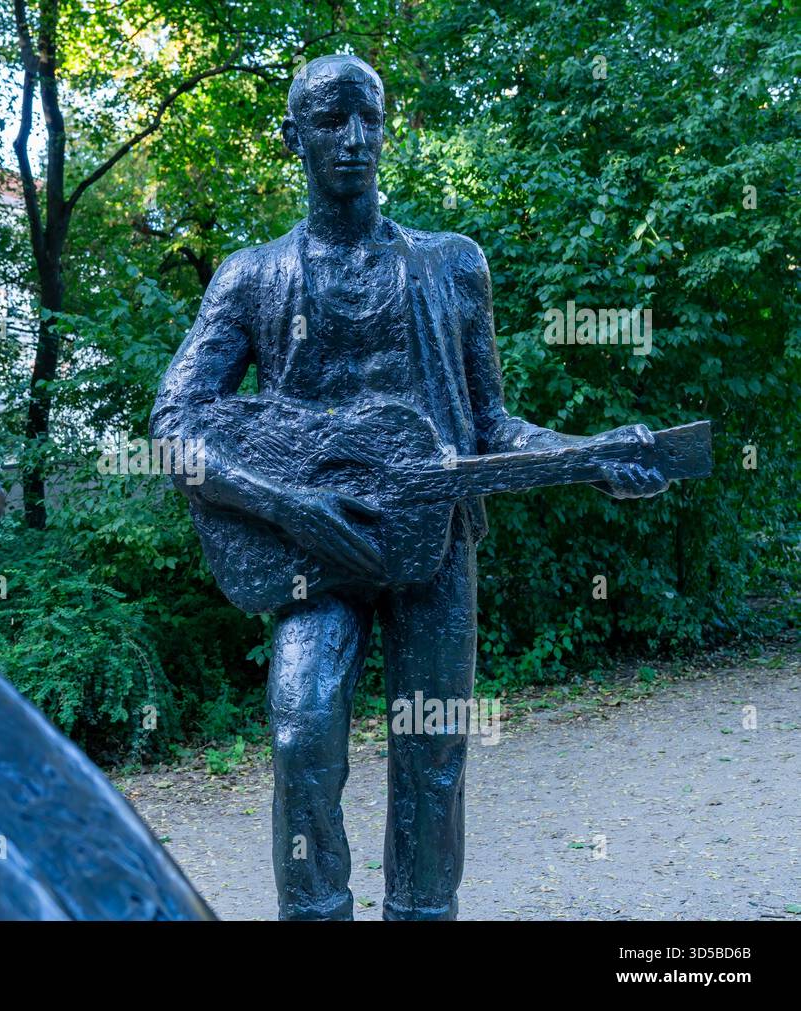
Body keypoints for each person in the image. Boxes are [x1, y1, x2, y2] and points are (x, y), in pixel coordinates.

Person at [152, 54, 667, 920]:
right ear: (294, 137)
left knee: (433, 752)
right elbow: (175, 428)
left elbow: (491, 429)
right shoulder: (250, 277)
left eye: (369, 117)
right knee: (301, 730)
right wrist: (290, 505)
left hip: (433, 547)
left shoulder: (452, 266)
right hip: (314, 556)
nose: (353, 139)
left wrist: (588, 453)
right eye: (328, 120)